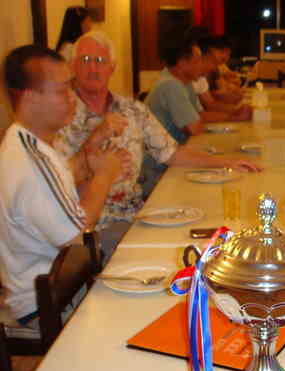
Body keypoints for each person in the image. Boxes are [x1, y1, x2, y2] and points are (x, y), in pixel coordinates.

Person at [55, 31, 260, 255]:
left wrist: (227, 162)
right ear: (72, 66)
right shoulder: (59, 117)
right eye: (85, 60)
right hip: (95, 228)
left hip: (137, 214)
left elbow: (171, 153)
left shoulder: (131, 109)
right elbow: (57, 184)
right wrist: (94, 140)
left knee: (207, 234)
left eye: (100, 61)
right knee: (178, 253)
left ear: (112, 67)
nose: (93, 68)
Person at [0, 45, 127, 327]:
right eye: (62, 91)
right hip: (44, 304)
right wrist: (104, 176)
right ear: (30, 98)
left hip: (65, 283)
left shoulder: (32, 143)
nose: (72, 98)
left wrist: (92, 171)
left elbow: (64, 202)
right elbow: (77, 234)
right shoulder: (29, 161)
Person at [145, 36, 251, 144]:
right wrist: (234, 117)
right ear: (182, 63)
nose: (201, 65)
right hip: (165, 153)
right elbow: (194, 128)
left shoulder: (185, 81)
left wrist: (234, 115)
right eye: (197, 61)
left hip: (175, 147)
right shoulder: (171, 84)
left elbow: (200, 115)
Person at [193, 35, 252, 118]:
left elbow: (210, 103)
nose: (214, 68)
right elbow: (197, 116)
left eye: (228, 53)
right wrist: (235, 116)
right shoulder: (181, 81)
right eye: (222, 52)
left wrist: (237, 111)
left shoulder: (201, 77)